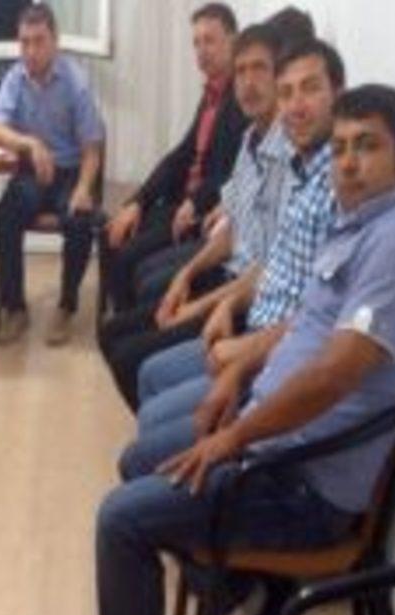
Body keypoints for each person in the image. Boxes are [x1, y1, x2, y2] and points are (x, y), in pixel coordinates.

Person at [96, 83, 395, 615]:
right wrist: (240, 371)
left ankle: (236, 602)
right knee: (140, 459)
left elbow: (334, 375)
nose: (348, 162)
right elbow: (306, 323)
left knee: (120, 520)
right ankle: (251, 597)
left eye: (367, 146)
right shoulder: (360, 223)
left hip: (304, 486)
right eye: (341, 147)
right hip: (275, 443)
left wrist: (234, 438)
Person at [118, 39, 345, 473]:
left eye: (310, 89)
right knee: (142, 301)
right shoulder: (290, 164)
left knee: (139, 418)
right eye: (288, 92)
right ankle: (171, 470)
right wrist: (211, 295)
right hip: (250, 311)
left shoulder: (334, 187)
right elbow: (258, 247)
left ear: (339, 93)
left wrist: (239, 348)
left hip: (272, 349)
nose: (296, 105)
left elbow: (321, 319)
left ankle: (179, 471)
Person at [98, 24, 292, 408]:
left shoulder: (289, 156)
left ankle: (164, 422)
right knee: (114, 333)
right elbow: (232, 227)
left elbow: (265, 271)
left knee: (129, 355)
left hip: (247, 302)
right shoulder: (251, 139)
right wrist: (185, 275)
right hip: (226, 275)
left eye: (259, 69)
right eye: (242, 71)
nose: (248, 82)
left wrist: (198, 306)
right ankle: (158, 416)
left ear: (278, 79)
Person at [100, 3, 248, 314]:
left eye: (209, 40)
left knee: (127, 257)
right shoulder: (212, 93)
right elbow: (181, 155)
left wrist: (193, 202)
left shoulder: (241, 99)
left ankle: (128, 324)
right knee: (112, 231)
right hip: (182, 201)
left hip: (200, 213)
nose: (201, 51)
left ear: (233, 42)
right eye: (196, 42)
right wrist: (138, 201)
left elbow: (230, 173)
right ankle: (117, 321)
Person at [0, 4, 106, 346]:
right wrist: (30, 143)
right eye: (24, 42)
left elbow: (93, 148)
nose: (31, 51)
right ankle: (15, 307)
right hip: (33, 172)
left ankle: (66, 306)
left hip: (71, 171)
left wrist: (84, 188)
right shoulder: (15, 78)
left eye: (39, 41)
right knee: (4, 217)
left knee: (79, 221)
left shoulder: (76, 82)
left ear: (55, 42)